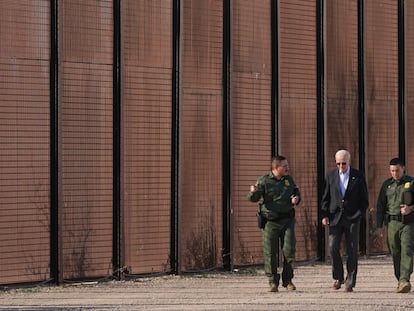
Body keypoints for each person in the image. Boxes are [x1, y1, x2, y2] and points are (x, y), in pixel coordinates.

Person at [247, 155, 301, 292]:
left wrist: (296, 199)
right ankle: (273, 282)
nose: (287, 168)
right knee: (270, 252)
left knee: (289, 250)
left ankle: (288, 280)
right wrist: (253, 192)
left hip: (287, 220)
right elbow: (254, 198)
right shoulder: (264, 181)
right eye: (284, 166)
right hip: (270, 222)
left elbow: (296, 192)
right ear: (276, 168)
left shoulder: (289, 180)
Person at [320, 149, 369, 292]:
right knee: (333, 246)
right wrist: (324, 215)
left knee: (352, 249)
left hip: (352, 218)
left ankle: (350, 281)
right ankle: (338, 276)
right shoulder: (330, 176)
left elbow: (364, 199)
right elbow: (325, 197)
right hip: (335, 217)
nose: (341, 166)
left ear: (349, 161)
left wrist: (359, 214)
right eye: (338, 163)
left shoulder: (358, 176)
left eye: (344, 163)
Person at [376, 158, 414, 293]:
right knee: (395, 252)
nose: (395, 173)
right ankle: (400, 280)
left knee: (407, 249)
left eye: (397, 170)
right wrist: (379, 226)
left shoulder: (411, 182)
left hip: (408, 223)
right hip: (392, 223)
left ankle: (405, 279)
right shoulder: (387, 185)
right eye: (392, 171)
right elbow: (380, 206)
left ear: (403, 168)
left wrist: (411, 208)